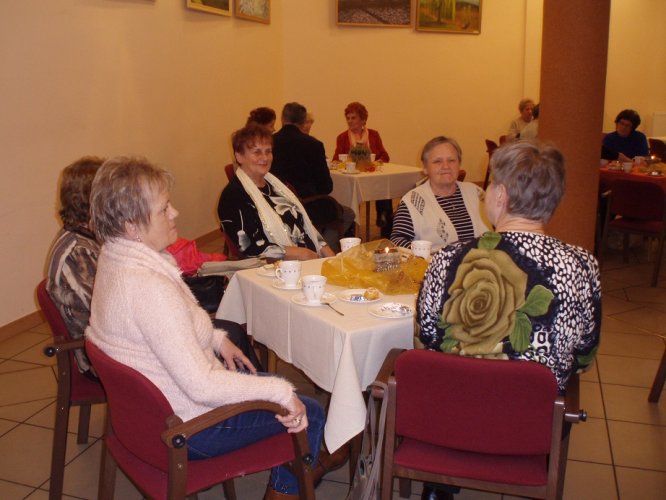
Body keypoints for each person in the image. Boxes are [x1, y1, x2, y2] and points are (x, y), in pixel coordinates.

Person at [86, 156, 325, 499]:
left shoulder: (115, 260)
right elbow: (201, 385)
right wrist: (282, 393)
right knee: (310, 411)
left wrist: (216, 339)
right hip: (193, 426)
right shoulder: (148, 287)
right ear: (131, 226)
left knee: (263, 380)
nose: (175, 213)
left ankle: (300, 464)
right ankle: (285, 489)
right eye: (163, 209)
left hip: (148, 419)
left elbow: (164, 327)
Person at [417, 141, 601, 393]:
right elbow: (584, 355)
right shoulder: (581, 264)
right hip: (535, 409)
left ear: (501, 195)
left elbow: (428, 339)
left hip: (456, 402)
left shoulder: (448, 258)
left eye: (491, 185)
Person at [218, 124, 336, 261]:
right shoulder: (233, 196)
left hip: (309, 258)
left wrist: (329, 256)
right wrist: (300, 253)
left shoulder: (277, 186)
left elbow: (304, 225)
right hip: (276, 268)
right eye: (257, 152)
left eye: (268, 151)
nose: (265, 158)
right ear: (239, 156)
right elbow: (250, 248)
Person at [46, 156, 104, 378]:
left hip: (106, 344)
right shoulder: (77, 253)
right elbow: (106, 314)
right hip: (98, 358)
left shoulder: (88, 238)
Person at [271, 102, 355, 251]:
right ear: (303, 122)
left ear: (282, 119)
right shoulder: (313, 145)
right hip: (307, 205)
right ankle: (321, 249)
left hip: (275, 204)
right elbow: (326, 187)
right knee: (348, 213)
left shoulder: (270, 143)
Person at [390, 136, 488, 252]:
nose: (446, 166)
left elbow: (501, 226)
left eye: (451, 160)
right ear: (425, 168)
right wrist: (425, 254)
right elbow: (397, 241)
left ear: (459, 164)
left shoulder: (476, 193)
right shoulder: (413, 201)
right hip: (434, 262)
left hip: (485, 261)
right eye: (437, 161)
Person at [332, 101, 393, 237]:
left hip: (372, 177)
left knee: (385, 184)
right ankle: (351, 230)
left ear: (363, 119)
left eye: (353, 118)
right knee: (349, 192)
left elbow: (385, 156)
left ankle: (384, 219)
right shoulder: (342, 137)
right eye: (348, 118)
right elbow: (336, 159)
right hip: (353, 178)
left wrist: (377, 162)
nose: (350, 121)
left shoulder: (374, 135)